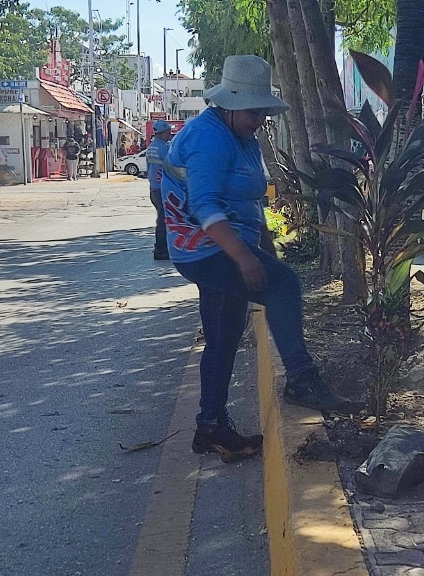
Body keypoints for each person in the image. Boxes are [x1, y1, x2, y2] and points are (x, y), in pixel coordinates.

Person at [160, 55, 344, 462]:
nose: (259, 119)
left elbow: (251, 200)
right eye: (253, 111)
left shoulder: (241, 136)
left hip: (230, 242)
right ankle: (300, 378)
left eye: (263, 111)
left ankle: (211, 426)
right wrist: (245, 259)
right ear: (228, 104)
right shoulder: (208, 138)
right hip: (203, 248)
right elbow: (205, 205)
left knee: (224, 335)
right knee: (284, 286)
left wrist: (263, 246)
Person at [146, 120, 175, 260]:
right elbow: (173, 168)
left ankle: (164, 247)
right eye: (168, 132)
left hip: (154, 189)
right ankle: (161, 249)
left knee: (162, 218)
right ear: (162, 133)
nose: (170, 134)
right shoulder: (164, 148)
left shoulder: (151, 147)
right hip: (163, 189)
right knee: (164, 220)